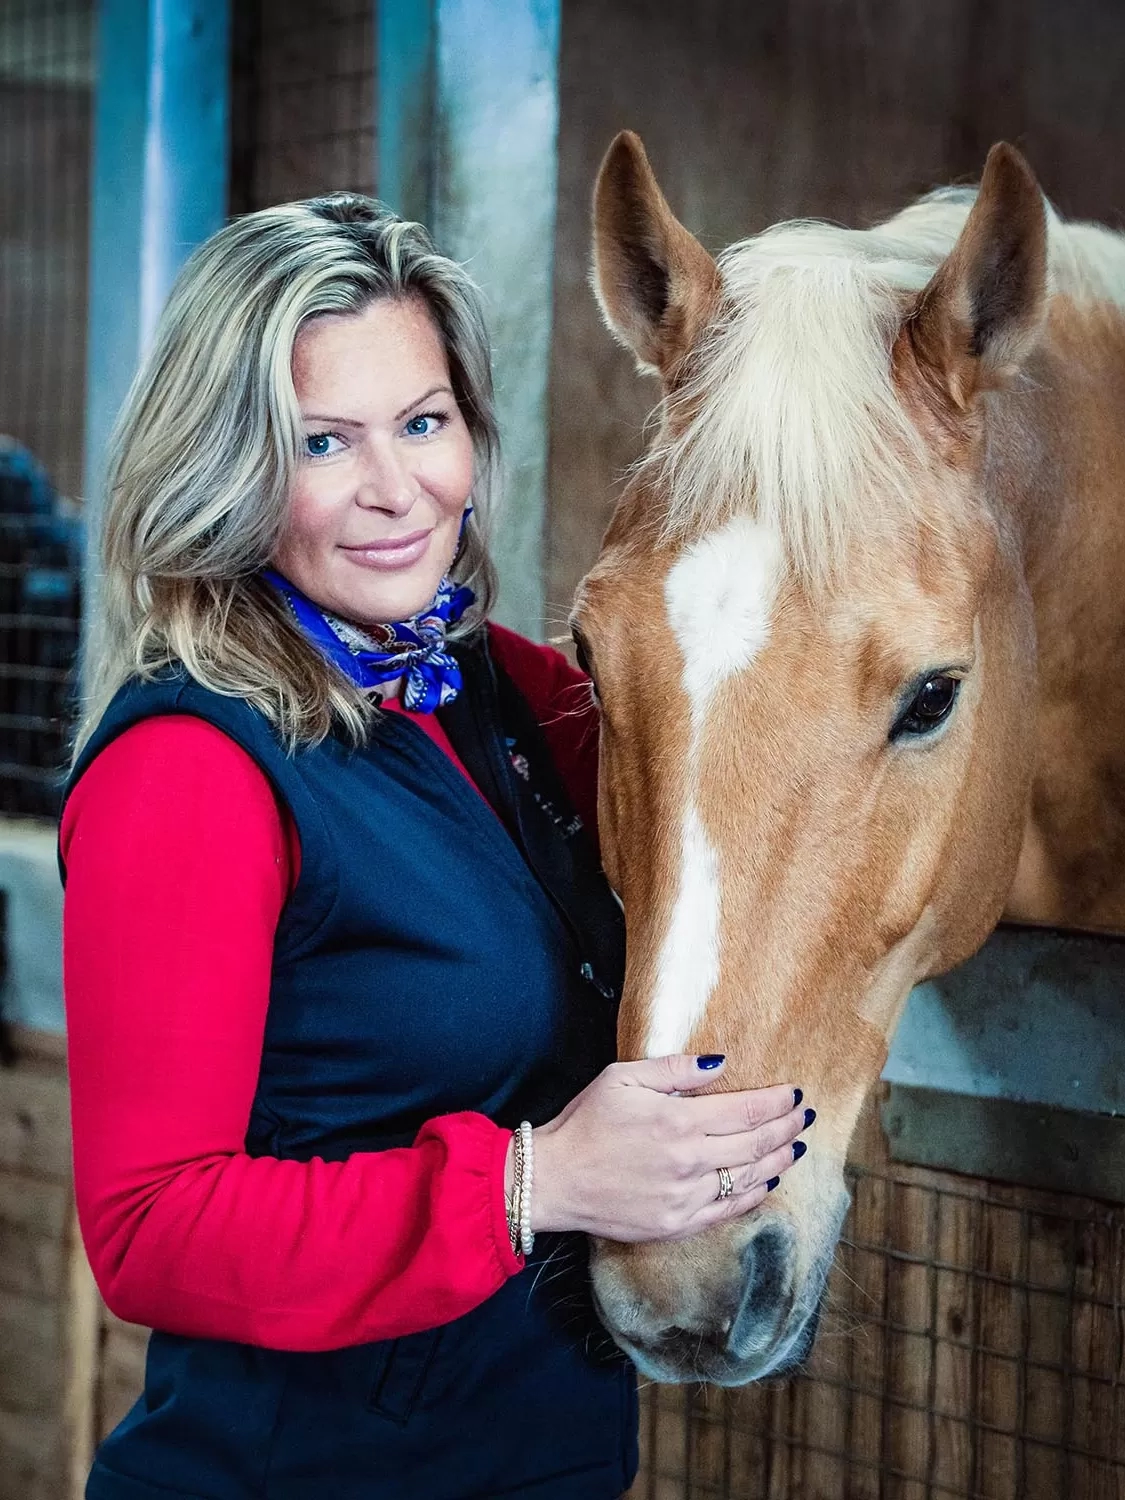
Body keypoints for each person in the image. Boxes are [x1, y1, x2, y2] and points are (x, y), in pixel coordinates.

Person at [60, 193, 814, 1500]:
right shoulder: (189, 767)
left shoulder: (496, 694)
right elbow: (149, 1233)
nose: (397, 490)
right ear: (228, 466)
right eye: (323, 442)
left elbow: (751, 749)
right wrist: (535, 1183)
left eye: (424, 422)